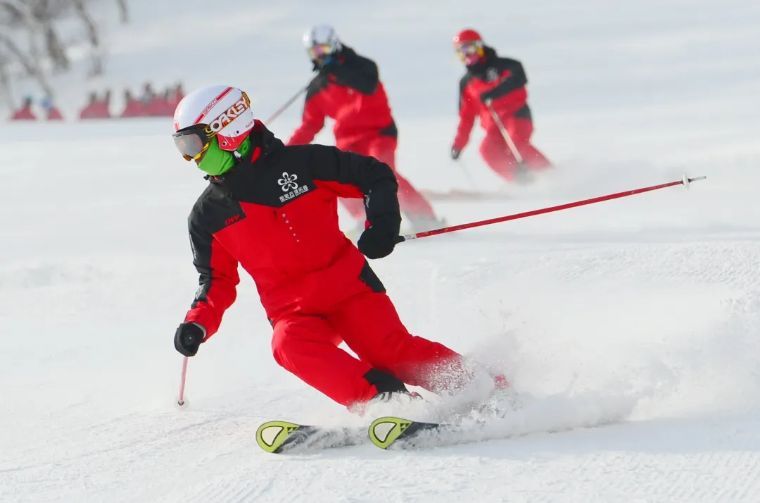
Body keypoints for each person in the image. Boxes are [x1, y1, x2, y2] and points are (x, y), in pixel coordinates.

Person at [171, 85, 475, 410]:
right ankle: (386, 403)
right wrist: (198, 322)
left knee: (389, 352)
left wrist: (383, 224)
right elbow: (216, 280)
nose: (192, 158)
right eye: (183, 147)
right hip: (294, 312)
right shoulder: (207, 216)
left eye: (193, 144)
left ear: (227, 129)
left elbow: (374, 176)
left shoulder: (303, 164)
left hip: (349, 289)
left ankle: (479, 385)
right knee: (288, 345)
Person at [288, 25, 441, 232]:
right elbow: (310, 125)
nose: (320, 55)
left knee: (382, 171)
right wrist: (285, 151)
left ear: (335, 44)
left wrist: (336, 72)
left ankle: (423, 217)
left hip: (379, 133)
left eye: (324, 48)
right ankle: (364, 218)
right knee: (338, 174)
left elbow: (367, 86)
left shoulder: (362, 66)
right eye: (314, 52)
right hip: (348, 141)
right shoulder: (319, 86)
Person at [450, 29, 550, 182]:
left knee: (516, 143)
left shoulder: (505, 65)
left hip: (516, 116)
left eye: (469, 48)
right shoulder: (466, 83)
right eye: (460, 52)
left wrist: (493, 93)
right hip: (493, 126)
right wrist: (458, 144)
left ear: (479, 46)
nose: (466, 55)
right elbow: (466, 117)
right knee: (487, 149)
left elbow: (518, 78)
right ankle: (520, 181)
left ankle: (550, 174)